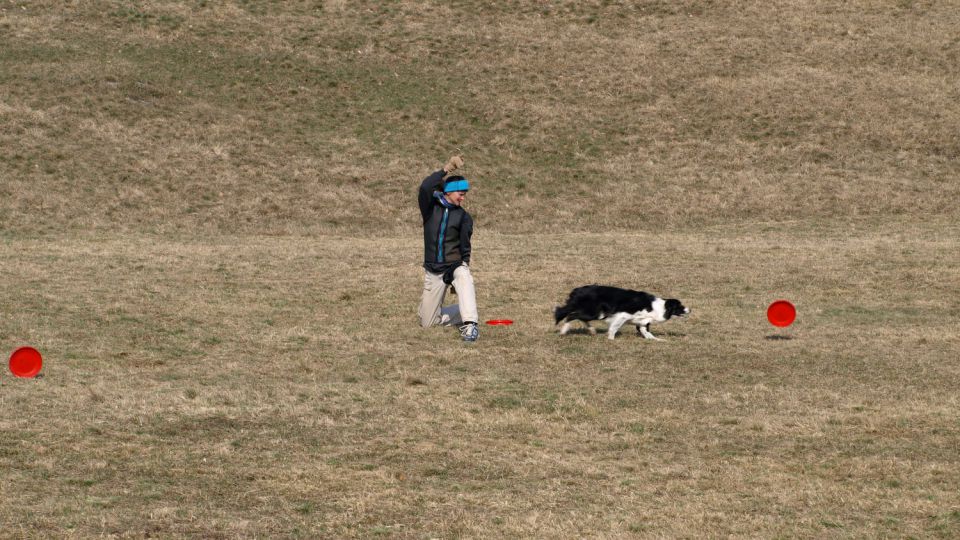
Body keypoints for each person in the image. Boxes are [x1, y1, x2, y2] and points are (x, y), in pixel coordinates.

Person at [417, 155, 479, 342]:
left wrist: (463, 267)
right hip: (433, 269)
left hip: (453, 266)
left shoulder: (464, 217)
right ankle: (463, 310)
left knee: (464, 274)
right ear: (449, 192)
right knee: (427, 323)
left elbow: (465, 247)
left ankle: (470, 324)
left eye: (465, 194)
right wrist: (447, 168)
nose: (463, 197)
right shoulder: (430, 208)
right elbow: (425, 187)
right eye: (461, 193)